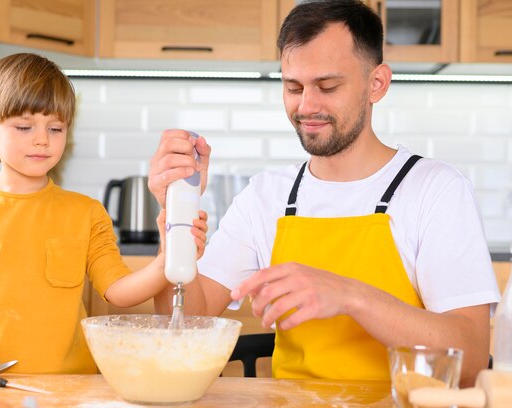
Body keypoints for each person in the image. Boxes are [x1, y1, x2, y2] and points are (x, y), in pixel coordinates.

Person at [148, 0, 500, 386]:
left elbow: (469, 361)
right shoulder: (265, 196)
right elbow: (182, 326)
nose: (306, 106)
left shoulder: (436, 189)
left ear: (377, 84)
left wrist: (351, 297)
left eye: (327, 86)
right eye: (293, 87)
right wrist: (176, 226)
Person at [0, 53, 208, 374]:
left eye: (55, 128)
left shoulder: (85, 213)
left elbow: (118, 292)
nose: (42, 139)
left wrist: (166, 259)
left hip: (69, 385)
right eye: (24, 126)